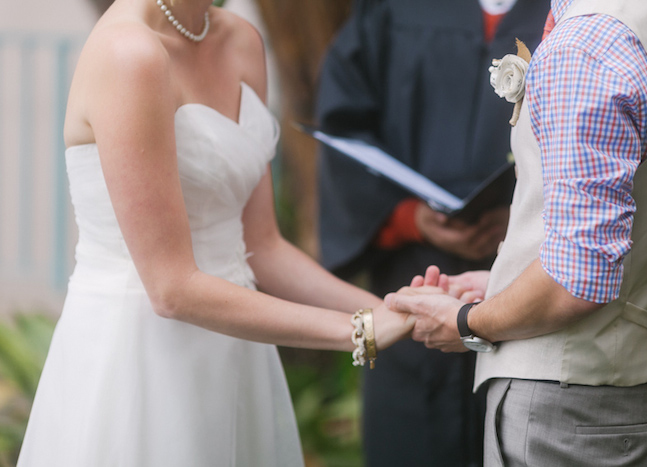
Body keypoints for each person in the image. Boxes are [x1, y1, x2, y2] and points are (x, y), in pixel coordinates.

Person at [16, 1, 414, 466]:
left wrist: (395, 309)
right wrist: (360, 330)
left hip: (237, 357)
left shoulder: (242, 40)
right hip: (141, 363)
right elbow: (171, 288)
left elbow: (262, 246)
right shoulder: (130, 54)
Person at [385, 0, 647, 465]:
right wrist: (504, 283)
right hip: (642, 391)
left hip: (567, 415)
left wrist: (466, 322)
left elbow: (576, 282)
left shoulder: (586, 45)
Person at [315, 0, 549, 465]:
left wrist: (523, 217)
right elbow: (343, 130)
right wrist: (408, 218)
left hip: (529, 302)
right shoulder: (392, 10)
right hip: (412, 289)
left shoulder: (572, 14)